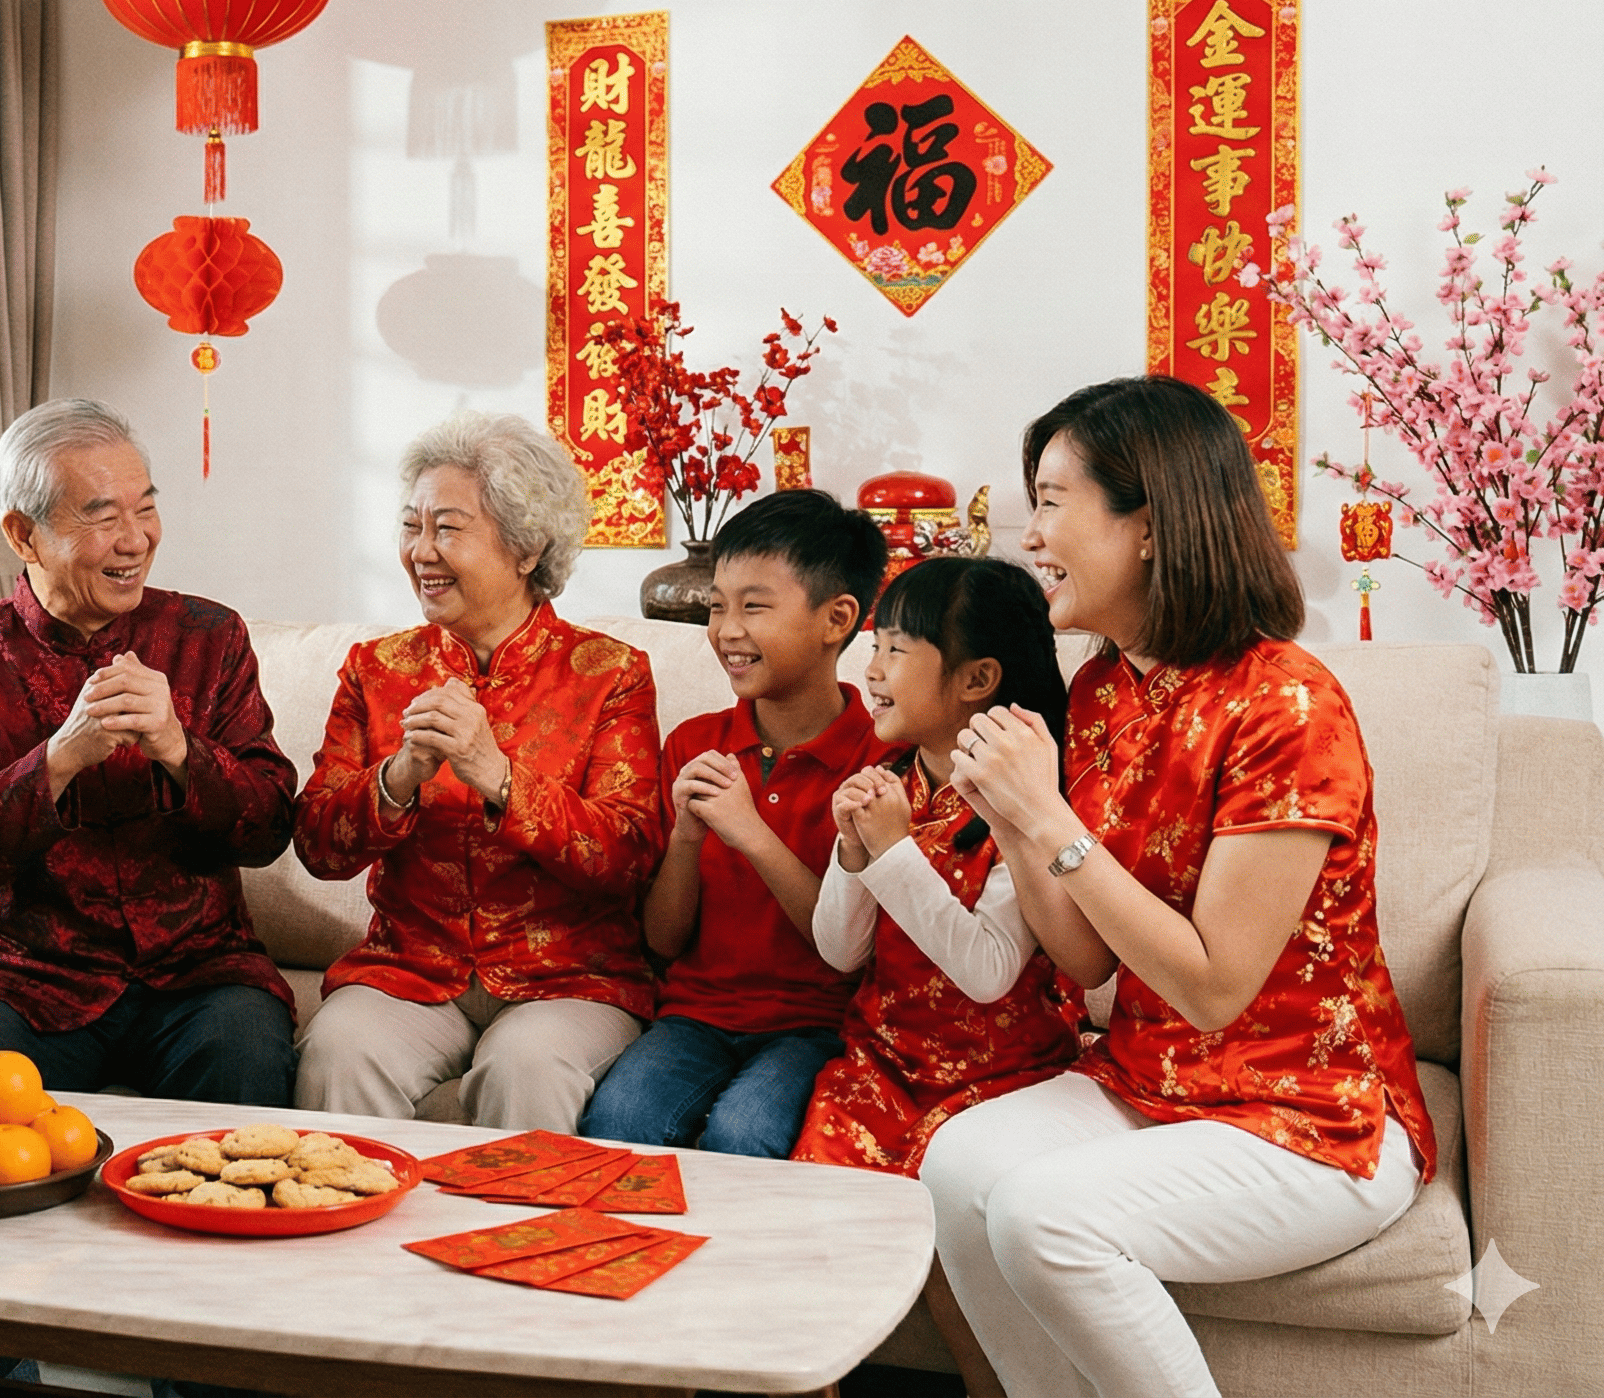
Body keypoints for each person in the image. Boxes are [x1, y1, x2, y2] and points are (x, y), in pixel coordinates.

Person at [929, 376, 1435, 1397]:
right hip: (1153, 1077)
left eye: (1052, 500)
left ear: (1148, 527)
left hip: (1313, 1111)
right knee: (952, 1166)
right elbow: (1083, 959)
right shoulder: (1101, 687)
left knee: (1044, 1218)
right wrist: (1019, 820)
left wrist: (1051, 819)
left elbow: (1212, 986)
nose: (1031, 536)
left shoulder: (1285, 703)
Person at [0, 397, 299, 1104]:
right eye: (103, 516)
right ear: (23, 536)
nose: (136, 539)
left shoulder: (209, 637)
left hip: (201, 973)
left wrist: (181, 750)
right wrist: (57, 761)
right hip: (24, 979)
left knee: (243, 1069)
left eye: (145, 509)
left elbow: (269, 829)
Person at [292, 410, 662, 1130]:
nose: (420, 552)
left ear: (526, 549)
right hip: (410, 971)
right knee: (338, 1049)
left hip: (568, 979)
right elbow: (316, 847)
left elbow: (629, 857)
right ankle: (350, 1242)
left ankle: (518, 1243)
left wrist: (499, 776)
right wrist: (398, 777)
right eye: (411, 526)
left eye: (448, 529)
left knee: (526, 1065)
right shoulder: (377, 670)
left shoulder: (610, 673)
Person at [793, 555, 1085, 1398]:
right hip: (881, 1066)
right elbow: (839, 953)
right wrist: (855, 857)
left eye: (895, 650)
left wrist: (889, 855)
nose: (869, 670)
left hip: (997, 1080)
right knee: (815, 1242)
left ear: (976, 679)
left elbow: (991, 972)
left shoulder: (1021, 799)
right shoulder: (889, 786)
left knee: (959, 1273)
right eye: (873, 646)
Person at [577, 488, 887, 1155]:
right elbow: (662, 940)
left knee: (746, 1133)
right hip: (696, 1014)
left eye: (754, 606)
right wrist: (687, 839)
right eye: (717, 607)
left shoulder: (880, 759)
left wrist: (750, 831)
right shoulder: (694, 743)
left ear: (837, 618)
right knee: (619, 1123)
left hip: (820, 1023)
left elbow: (848, 951)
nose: (727, 630)